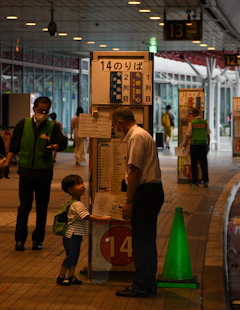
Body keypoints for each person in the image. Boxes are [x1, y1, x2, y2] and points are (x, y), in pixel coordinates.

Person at [111, 107, 164, 297]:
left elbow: (134, 171)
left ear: (119, 123)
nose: (116, 130)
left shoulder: (135, 137)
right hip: (152, 191)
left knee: (141, 242)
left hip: (145, 193)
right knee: (146, 240)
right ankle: (147, 282)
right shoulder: (142, 135)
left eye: (114, 126)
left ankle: (142, 285)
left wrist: (128, 201)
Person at [3, 96, 67, 251]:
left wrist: (52, 147)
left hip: (43, 173)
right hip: (25, 171)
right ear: (34, 109)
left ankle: (38, 240)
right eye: (40, 110)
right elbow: (14, 146)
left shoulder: (53, 127)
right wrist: (6, 164)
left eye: (46, 110)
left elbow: (62, 143)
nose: (43, 113)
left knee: (42, 207)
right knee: (24, 206)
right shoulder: (22, 124)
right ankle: (20, 240)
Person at [56, 174, 111, 286]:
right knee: (71, 256)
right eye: (78, 184)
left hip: (75, 235)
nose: (82, 186)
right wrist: (102, 219)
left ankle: (71, 276)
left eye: (81, 183)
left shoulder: (75, 203)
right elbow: (86, 216)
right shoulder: (77, 204)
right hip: (72, 235)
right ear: (70, 190)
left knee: (75, 256)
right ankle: (61, 276)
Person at [183, 107, 211, 188]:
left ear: (193, 114)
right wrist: (208, 145)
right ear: (199, 113)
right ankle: (205, 181)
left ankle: (195, 182)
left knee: (194, 164)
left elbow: (188, 135)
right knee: (204, 164)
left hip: (194, 146)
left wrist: (184, 144)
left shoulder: (192, 123)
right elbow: (208, 134)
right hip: (203, 145)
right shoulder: (205, 122)